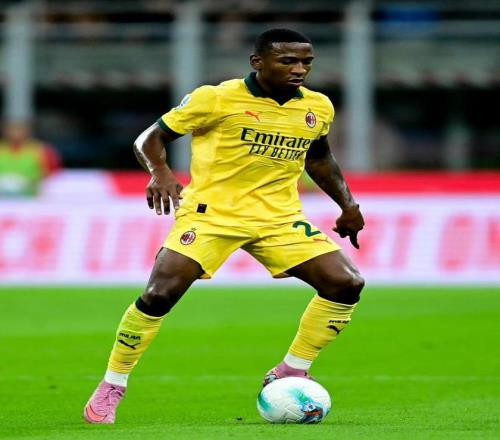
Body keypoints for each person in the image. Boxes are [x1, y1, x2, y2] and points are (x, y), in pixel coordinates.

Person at [84, 28, 365, 424]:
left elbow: (319, 158)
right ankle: (113, 384)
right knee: (160, 293)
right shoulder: (215, 98)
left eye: (306, 62)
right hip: (212, 214)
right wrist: (160, 172)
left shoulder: (317, 106)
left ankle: (292, 369)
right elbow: (150, 138)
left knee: (346, 283)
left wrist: (348, 205)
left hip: (279, 217)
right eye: (288, 61)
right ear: (258, 62)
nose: (299, 69)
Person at [0, 120, 61, 197]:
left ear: (29, 129)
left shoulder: (42, 150)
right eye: (12, 128)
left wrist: (31, 183)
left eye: (20, 128)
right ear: (4, 129)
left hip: (32, 198)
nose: (16, 132)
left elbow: (54, 175)